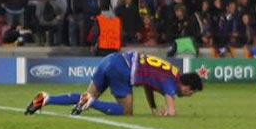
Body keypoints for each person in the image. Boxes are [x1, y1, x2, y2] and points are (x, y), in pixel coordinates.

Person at [25, 52, 202, 117]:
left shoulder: (170, 72)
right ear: (187, 87)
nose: (188, 96)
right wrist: (166, 113)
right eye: (191, 93)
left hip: (111, 59)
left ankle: (46, 99)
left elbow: (149, 85)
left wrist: (154, 109)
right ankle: (92, 103)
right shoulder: (172, 83)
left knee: (85, 97)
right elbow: (172, 112)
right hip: (122, 69)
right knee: (126, 111)